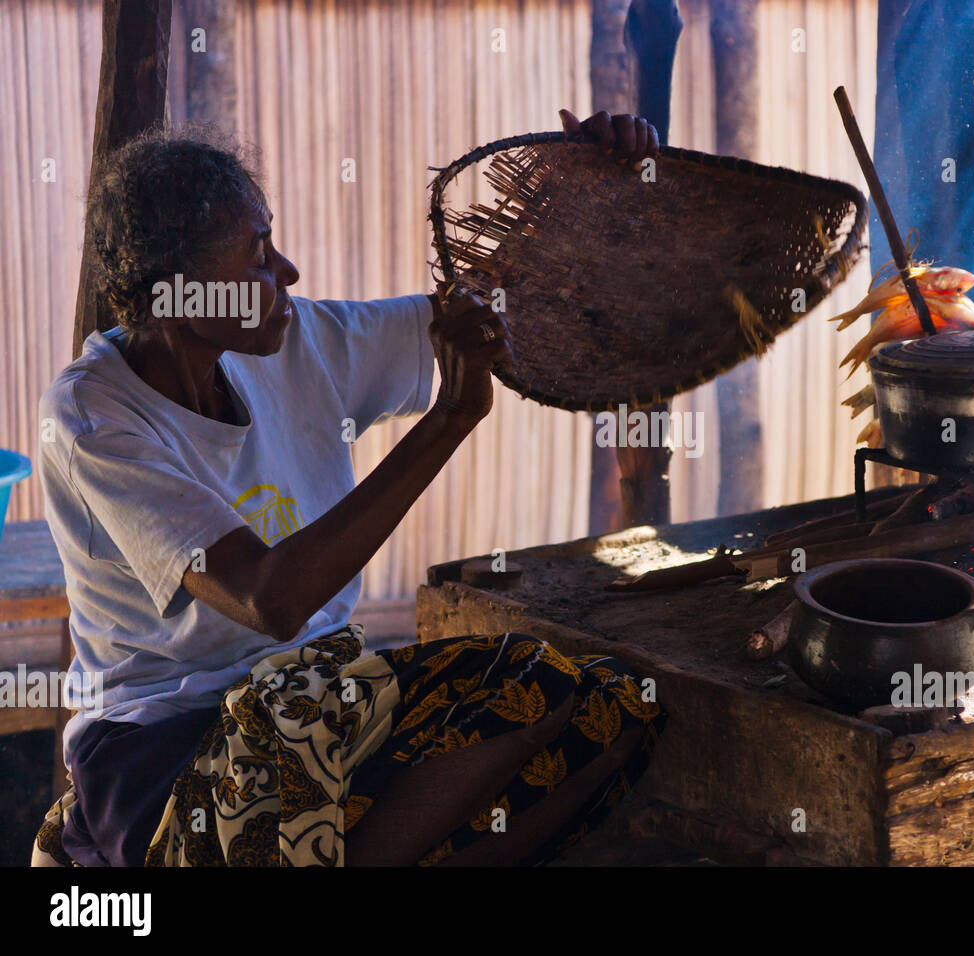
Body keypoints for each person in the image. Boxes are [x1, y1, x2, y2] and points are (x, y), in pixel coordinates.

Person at [31, 109, 667, 867]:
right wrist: (447, 423)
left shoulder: (300, 342)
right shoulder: (94, 416)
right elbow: (271, 600)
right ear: (181, 294)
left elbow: (490, 311)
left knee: (609, 709)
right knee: (462, 706)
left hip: (322, 702)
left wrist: (582, 192)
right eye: (258, 254)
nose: (287, 274)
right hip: (163, 755)